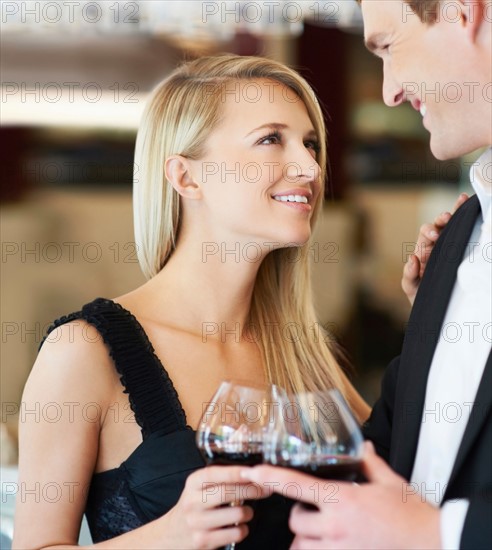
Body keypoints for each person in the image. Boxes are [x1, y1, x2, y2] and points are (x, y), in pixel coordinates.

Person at [13, 54, 372, 549]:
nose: (309, 166)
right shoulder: (83, 351)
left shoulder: (305, 355)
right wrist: (168, 538)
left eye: (310, 144)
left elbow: (412, 479)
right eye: (272, 139)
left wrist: (436, 303)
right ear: (186, 178)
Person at [243, 1, 491, 549]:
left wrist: (439, 535)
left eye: (387, 47)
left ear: (461, 14)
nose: (388, 92)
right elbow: (403, 452)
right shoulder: (456, 240)